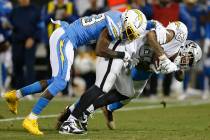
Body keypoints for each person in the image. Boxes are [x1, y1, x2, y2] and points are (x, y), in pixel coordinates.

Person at [3, 9, 171, 135]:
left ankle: (15, 95)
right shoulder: (115, 24)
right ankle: (31, 119)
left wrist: (153, 24)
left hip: (64, 35)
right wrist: (122, 54)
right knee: (61, 82)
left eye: (131, 34)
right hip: (66, 38)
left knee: (56, 80)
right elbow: (100, 50)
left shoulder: (122, 18)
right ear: (125, 22)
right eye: (128, 32)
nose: (128, 35)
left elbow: (144, 24)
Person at [57, 21, 188, 134]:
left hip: (128, 57)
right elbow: (150, 38)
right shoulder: (166, 36)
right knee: (103, 87)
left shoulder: (168, 47)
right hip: (120, 51)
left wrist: (164, 64)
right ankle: (73, 119)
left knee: (126, 92)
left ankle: (76, 111)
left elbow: (146, 59)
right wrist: (162, 59)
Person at [9, 0, 41, 88]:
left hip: (30, 41)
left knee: (29, 65)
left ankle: (30, 89)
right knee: (17, 63)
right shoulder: (14, 11)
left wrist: (33, 38)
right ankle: (18, 88)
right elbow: (10, 25)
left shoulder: (35, 10)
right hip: (17, 41)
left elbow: (40, 26)